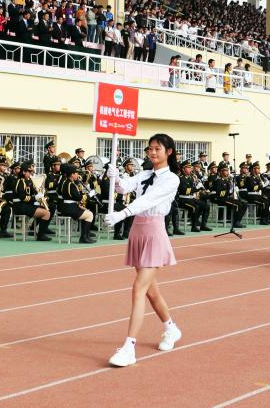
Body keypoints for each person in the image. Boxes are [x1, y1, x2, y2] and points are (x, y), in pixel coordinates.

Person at [104, 133, 184, 367]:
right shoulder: (145, 173)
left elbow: (148, 200)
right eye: (150, 149)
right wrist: (115, 177)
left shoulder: (171, 179)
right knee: (150, 291)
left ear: (169, 152)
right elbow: (125, 188)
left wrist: (121, 214)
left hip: (153, 232)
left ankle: (129, 347)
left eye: (157, 149)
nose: (152, 152)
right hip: (137, 231)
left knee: (138, 288)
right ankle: (171, 328)